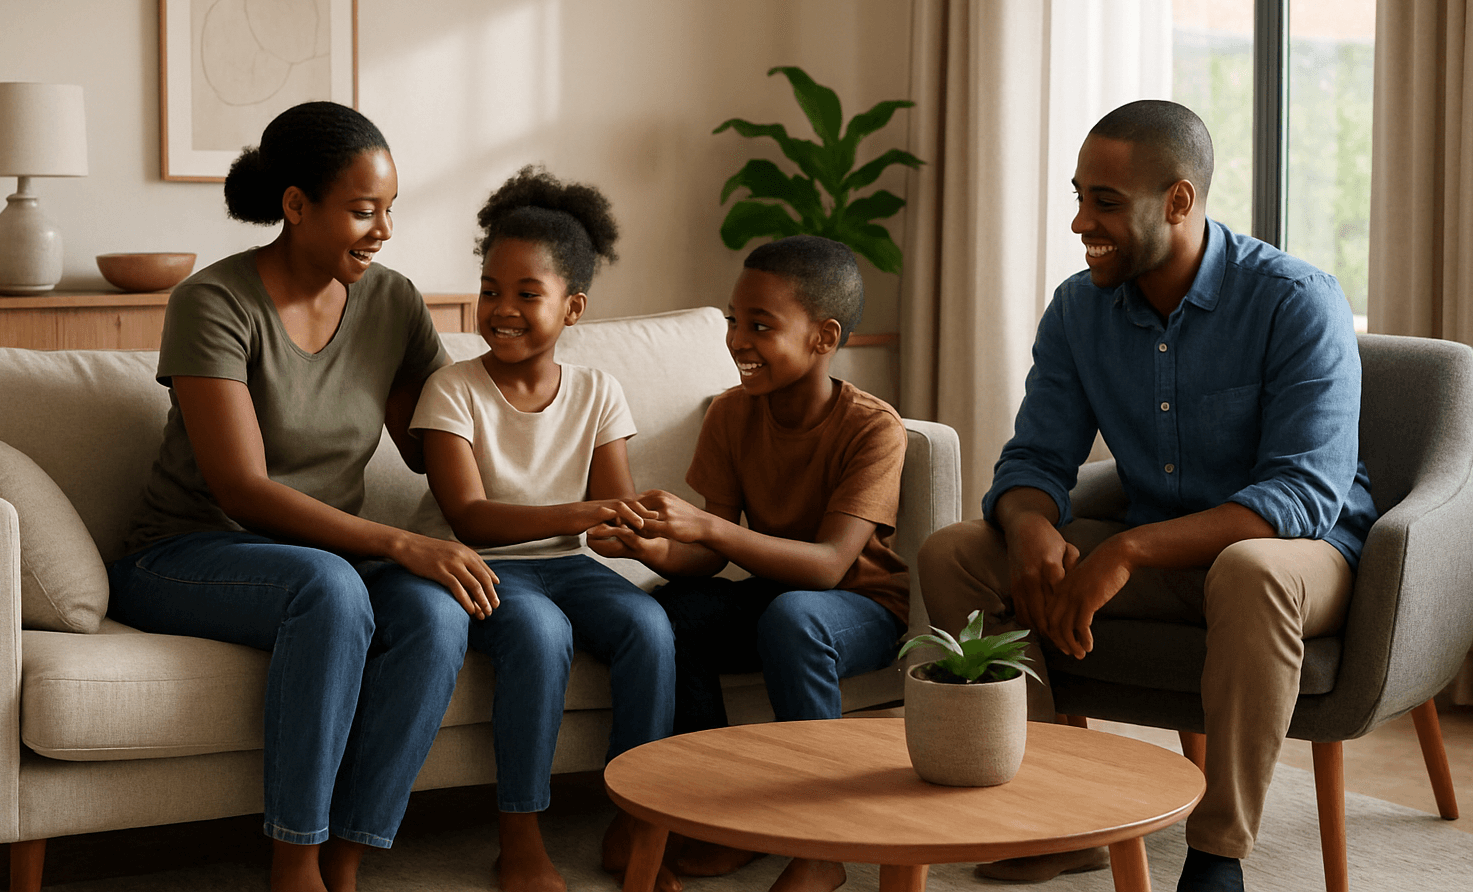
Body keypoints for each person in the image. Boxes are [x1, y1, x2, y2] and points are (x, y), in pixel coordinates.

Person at [917, 99, 1376, 892]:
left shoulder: (1296, 299)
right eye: (1077, 196)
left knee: (1252, 570)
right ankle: (1052, 817)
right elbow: (1034, 458)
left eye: (1104, 203)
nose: (1079, 224)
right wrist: (1027, 525)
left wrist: (1125, 550)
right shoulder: (1078, 309)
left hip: (1303, 560)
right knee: (954, 552)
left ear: (1179, 201)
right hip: (1165, 552)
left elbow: (1301, 494)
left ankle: (1218, 855)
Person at [109, 102, 500, 892]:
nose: (384, 230)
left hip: (328, 557)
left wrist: (524, 368)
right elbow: (242, 490)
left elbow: (430, 451)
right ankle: (294, 864)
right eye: (363, 210)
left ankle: (346, 858)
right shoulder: (213, 303)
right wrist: (395, 542)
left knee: (434, 611)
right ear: (295, 205)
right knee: (329, 588)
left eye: (391, 208)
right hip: (188, 551)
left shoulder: (391, 302)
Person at [594, 234, 909, 892]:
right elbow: (710, 557)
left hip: (862, 609)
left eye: (759, 325)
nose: (737, 338)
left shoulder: (873, 429)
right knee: (668, 615)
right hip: (774, 598)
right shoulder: (732, 414)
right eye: (734, 319)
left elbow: (828, 566)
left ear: (824, 337)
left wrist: (705, 526)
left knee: (796, 618)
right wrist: (654, 548)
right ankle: (717, 819)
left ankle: (823, 846)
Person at [409, 165, 676, 892]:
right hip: (477, 563)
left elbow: (612, 518)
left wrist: (646, 528)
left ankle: (635, 823)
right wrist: (589, 514)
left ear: (573, 307)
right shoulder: (453, 388)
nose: (502, 309)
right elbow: (470, 516)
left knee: (650, 627)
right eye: (491, 290)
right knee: (540, 632)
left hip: (565, 563)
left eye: (528, 294)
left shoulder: (598, 392)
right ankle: (519, 836)